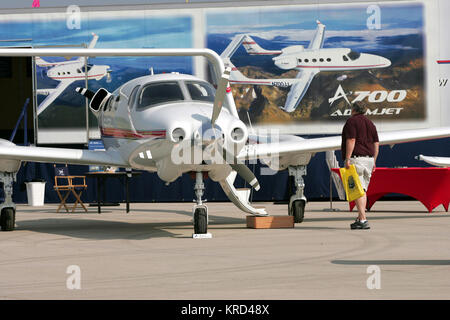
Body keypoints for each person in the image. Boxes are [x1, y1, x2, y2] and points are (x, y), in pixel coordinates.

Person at [341, 102, 379, 229]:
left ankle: (363, 219)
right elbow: (376, 144)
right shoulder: (370, 123)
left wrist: (347, 158)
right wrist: (374, 160)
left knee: (357, 190)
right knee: (362, 190)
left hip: (357, 160)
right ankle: (360, 218)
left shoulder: (351, 122)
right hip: (369, 160)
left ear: (353, 110)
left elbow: (351, 140)